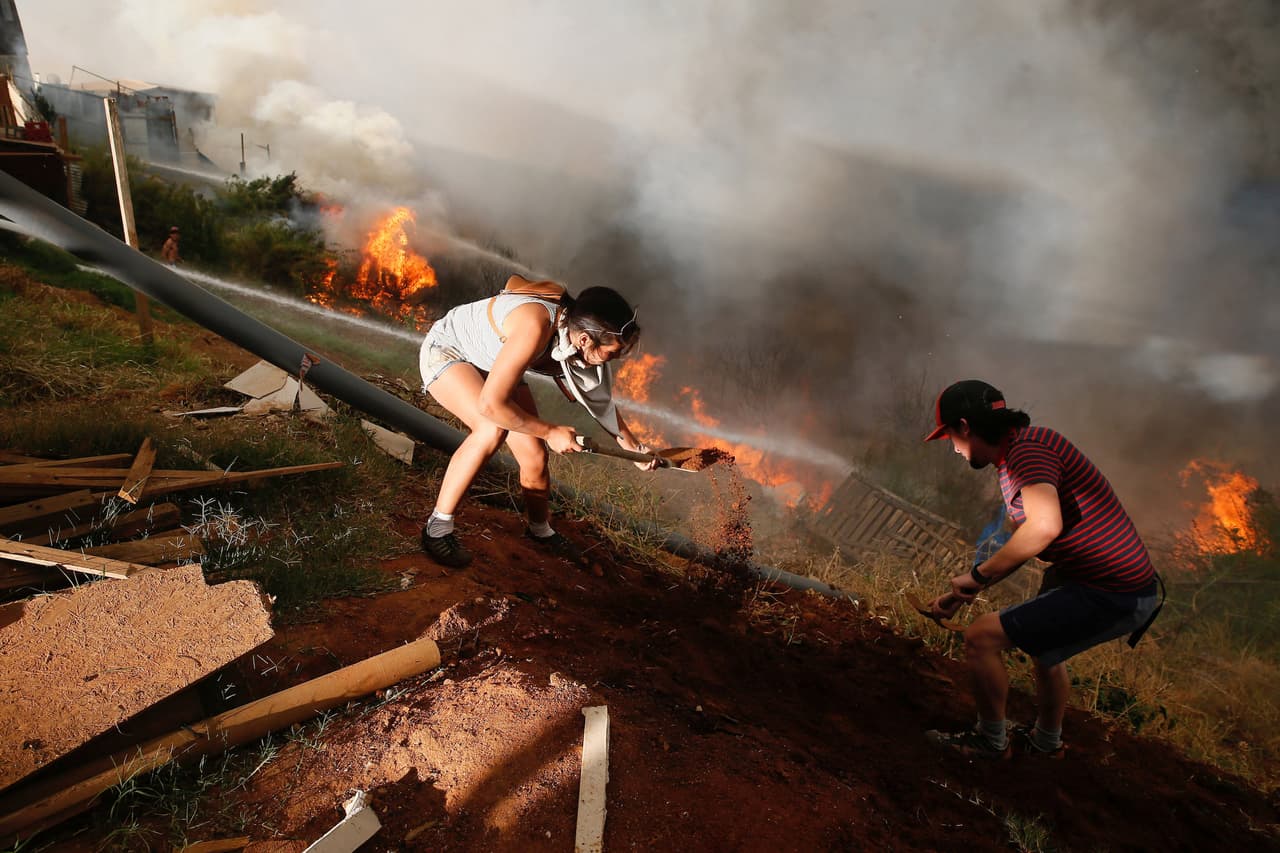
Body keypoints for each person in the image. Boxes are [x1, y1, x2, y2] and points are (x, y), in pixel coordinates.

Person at [920, 379, 1161, 759]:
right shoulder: (1027, 445)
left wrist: (978, 575)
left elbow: (1044, 528)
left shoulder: (1026, 455)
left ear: (965, 427)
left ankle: (989, 741)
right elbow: (1029, 540)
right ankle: (1046, 745)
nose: (951, 446)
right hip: (1100, 578)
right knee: (1045, 652)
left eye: (949, 435)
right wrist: (963, 592)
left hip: (1112, 590)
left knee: (981, 637)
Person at [418, 274, 656, 569]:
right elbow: (491, 406)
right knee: (492, 429)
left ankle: (540, 531)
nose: (614, 360)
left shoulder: (574, 330)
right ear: (585, 339)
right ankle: (437, 528)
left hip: (495, 363)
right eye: (611, 353)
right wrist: (551, 431)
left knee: (533, 455)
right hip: (448, 351)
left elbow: (597, 398)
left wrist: (635, 449)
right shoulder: (534, 327)